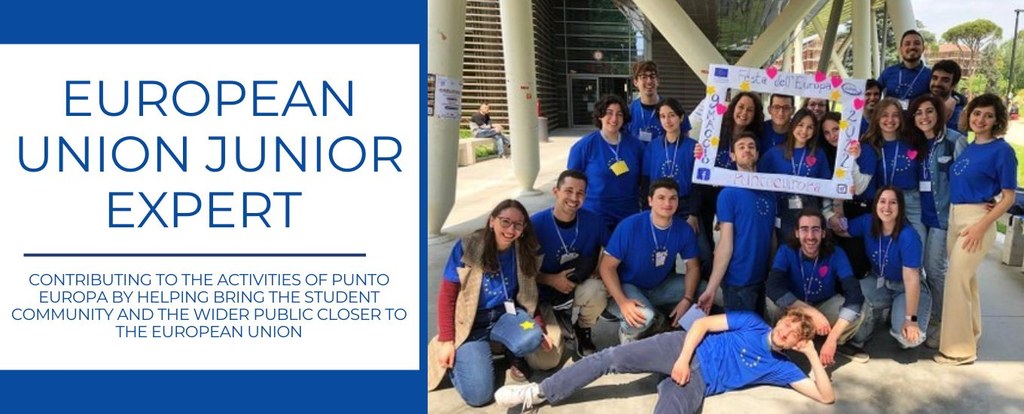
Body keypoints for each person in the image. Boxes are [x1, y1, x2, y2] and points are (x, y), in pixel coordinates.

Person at [494, 309, 835, 413]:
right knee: (610, 357)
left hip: (699, 381)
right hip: (681, 348)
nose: (784, 332)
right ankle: (538, 393)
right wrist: (683, 359)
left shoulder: (782, 367)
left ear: (797, 343)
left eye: (793, 335)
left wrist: (810, 354)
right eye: (786, 324)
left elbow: (826, 396)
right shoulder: (752, 322)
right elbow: (701, 324)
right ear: (780, 320)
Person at [427, 200, 557, 407]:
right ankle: (466, 358)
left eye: (518, 224)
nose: (511, 230)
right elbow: (447, 295)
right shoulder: (467, 247)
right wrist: (447, 340)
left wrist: (540, 326)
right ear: (491, 221)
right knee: (479, 396)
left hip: (507, 316)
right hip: (470, 325)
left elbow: (531, 294)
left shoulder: (523, 250)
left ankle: (509, 351)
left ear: (523, 228)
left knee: (532, 337)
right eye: (505, 222)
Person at [936, 94, 1018, 365]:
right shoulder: (970, 147)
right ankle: (970, 335)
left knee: (956, 281)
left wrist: (981, 227)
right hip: (956, 218)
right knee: (966, 282)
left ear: (997, 120)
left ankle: (959, 351)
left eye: (989, 115)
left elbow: (1008, 197)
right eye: (977, 113)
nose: (981, 119)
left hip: (976, 223)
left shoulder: (1002, 151)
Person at [599, 178, 701, 344]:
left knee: (702, 290)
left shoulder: (683, 229)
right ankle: (628, 331)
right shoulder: (630, 226)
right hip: (628, 285)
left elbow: (693, 267)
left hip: (660, 285)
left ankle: (659, 316)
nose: (667, 203)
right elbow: (607, 267)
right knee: (644, 316)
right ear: (650, 200)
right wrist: (622, 302)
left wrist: (687, 299)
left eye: (673, 198)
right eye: (661, 197)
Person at [766, 209, 868, 365]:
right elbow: (773, 286)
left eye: (815, 230)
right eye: (804, 229)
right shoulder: (786, 251)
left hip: (824, 303)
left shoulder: (836, 253)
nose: (810, 236)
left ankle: (836, 341)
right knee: (772, 302)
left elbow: (854, 295)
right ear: (797, 233)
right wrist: (812, 313)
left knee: (860, 309)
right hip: (795, 306)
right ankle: (781, 341)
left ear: (823, 233)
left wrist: (832, 340)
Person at [907, 94, 968, 349]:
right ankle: (929, 315)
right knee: (918, 268)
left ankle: (944, 322)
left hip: (943, 217)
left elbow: (967, 177)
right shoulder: (916, 143)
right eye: (918, 113)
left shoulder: (954, 141)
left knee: (935, 270)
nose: (924, 117)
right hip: (921, 215)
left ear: (939, 113)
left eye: (929, 111)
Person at [839, 187, 932, 352]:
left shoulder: (908, 236)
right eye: (882, 201)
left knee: (907, 339)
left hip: (905, 288)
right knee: (853, 318)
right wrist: (834, 211)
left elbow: (911, 280)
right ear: (875, 204)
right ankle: (872, 321)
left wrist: (911, 319)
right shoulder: (868, 222)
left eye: (893, 202)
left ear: (900, 207)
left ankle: (900, 312)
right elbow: (841, 230)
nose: (887, 207)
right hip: (878, 281)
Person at [531, 170, 610, 358]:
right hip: (543, 294)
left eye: (580, 193)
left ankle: (583, 327)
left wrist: (600, 268)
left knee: (598, 289)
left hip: (576, 286)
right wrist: (550, 280)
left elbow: (611, 250)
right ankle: (558, 324)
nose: (574, 198)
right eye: (568, 191)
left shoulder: (594, 221)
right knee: (546, 360)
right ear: (556, 191)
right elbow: (519, 271)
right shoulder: (535, 224)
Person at [698, 132, 777, 313]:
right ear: (733, 156)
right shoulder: (728, 194)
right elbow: (724, 244)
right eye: (741, 147)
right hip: (738, 283)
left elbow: (771, 235)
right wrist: (711, 289)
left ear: (757, 153)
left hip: (762, 279)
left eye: (751, 146)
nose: (747, 150)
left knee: (758, 327)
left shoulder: (769, 192)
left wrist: (772, 272)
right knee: (740, 331)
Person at [694, 92, 764, 251]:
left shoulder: (754, 140)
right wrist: (698, 151)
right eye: (741, 107)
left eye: (750, 110)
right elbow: (701, 157)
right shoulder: (715, 129)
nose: (744, 113)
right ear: (733, 107)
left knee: (730, 242)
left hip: (734, 197)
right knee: (704, 247)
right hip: (706, 194)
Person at [568, 94, 643, 233]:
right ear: (600, 116)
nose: (614, 119)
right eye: (609, 113)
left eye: (619, 114)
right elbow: (572, 183)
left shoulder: (636, 146)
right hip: (596, 214)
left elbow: (643, 180)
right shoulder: (584, 146)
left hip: (628, 214)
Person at [759, 108, 832, 241]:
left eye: (810, 127)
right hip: (782, 210)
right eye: (800, 125)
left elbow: (827, 185)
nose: (804, 131)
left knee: (809, 246)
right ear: (793, 125)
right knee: (786, 246)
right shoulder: (774, 153)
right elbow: (757, 181)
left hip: (811, 212)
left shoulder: (819, 154)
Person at [863, 97, 927, 245]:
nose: (890, 120)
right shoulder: (869, 145)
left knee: (918, 242)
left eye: (895, 115)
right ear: (877, 118)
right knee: (889, 246)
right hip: (884, 202)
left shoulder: (912, 141)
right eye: (885, 115)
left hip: (911, 200)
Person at [822, 111, 876, 284]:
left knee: (857, 263)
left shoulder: (866, 151)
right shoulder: (827, 154)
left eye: (836, 129)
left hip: (861, 210)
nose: (832, 136)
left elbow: (859, 188)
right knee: (837, 261)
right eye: (827, 132)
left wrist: (851, 159)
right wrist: (830, 216)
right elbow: (825, 189)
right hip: (836, 210)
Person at [626, 60, 691, 145]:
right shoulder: (629, 111)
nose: (649, 81)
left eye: (652, 76)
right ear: (635, 82)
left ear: (658, 80)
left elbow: (686, 140)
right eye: (644, 77)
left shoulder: (674, 108)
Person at [878, 30, 932, 108]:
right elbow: (871, 92)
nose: (912, 47)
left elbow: (943, 96)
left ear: (923, 48)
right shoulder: (888, 72)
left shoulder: (930, 75)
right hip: (890, 115)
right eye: (907, 44)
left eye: (917, 43)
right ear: (901, 49)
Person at [929, 60, 965, 133]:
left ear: (954, 85)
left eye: (945, 80)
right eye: (935, 78)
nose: (937, 83)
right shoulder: (920, 106)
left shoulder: (957, 116)